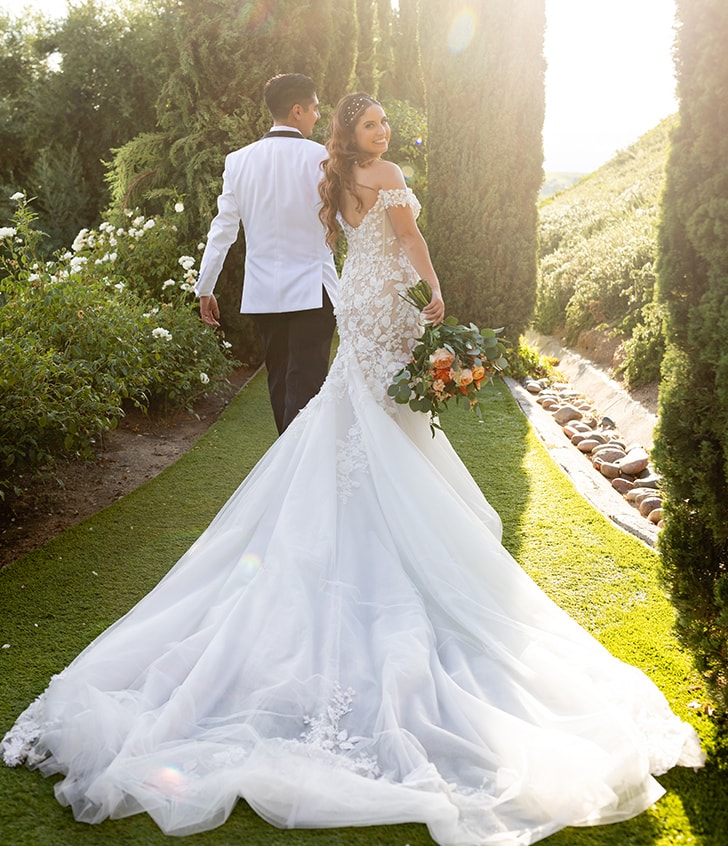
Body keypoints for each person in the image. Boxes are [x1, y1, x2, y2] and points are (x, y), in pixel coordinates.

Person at [1, 93, 704, 845]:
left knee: (356, 412)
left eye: (384, 125)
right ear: (349, 131)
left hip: (357, 307)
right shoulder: (383, 172)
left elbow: (330, 242)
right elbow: (411, 241)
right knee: (380, 417)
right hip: (387, 305)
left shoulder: (330, 179)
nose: (384, 132)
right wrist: (434, 292)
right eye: (371, 125)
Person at [194, 73, 338, 434]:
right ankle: (295, 473)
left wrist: (205, 287)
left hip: (264, 293)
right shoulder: (322, 158)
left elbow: (223, 229)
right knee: (308, 385)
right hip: (313, 288)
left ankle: (286, 469)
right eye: (315, 109)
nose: (318, 116)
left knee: (280, 384)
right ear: (297, 110)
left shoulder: (238, 161)